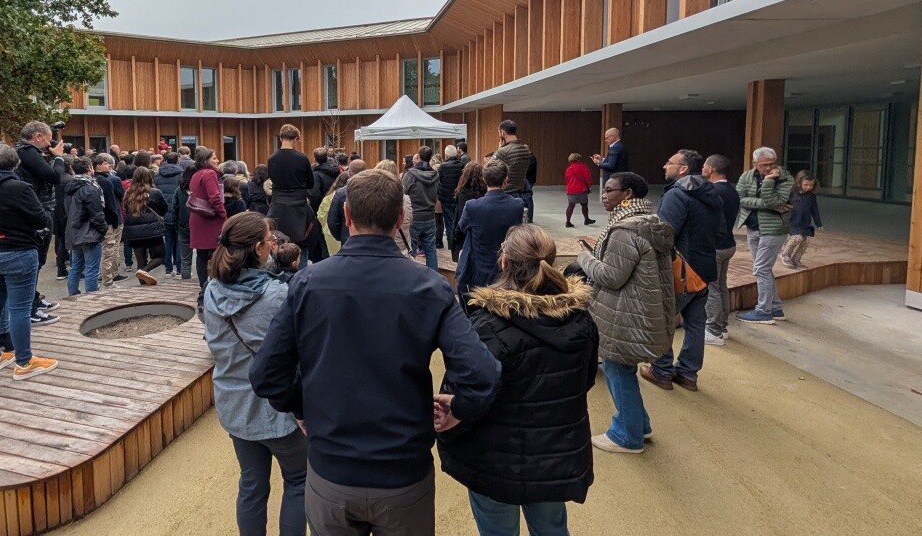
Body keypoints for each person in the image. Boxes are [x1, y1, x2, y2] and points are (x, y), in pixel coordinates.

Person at [250, 169, 501, 535]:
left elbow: (266, 374)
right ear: (400, 218)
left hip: (332, 469)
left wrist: (300, 407)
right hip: (402, 471)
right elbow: (481, 374)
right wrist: (459, 408)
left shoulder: (307, 283)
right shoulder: (429, 286)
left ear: (346, 215)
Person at [437, 224, 598, 536]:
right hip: (555, 454)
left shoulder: (485, 324)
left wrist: (451, 421)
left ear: (504, 261)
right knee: (552, 528)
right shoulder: (580, 320)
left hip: (495, 460)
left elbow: (465, 393)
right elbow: (585, 380)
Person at [203, 212, 307, 536]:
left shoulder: (212, 290)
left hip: (234, 404)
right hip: (279, 408)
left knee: (251, 483)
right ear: (259, 248)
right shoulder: (277, 295)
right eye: (269, 239)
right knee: (299, 480)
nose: (274, 243)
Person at [576, 172, 675, 454]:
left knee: (617, 369)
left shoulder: (624, 230)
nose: (603, 195)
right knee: (624, 370)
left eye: (609, 190)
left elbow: (611, 276)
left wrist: (584, 258)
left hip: (624, 312)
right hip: (640, 309)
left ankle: (627, 435)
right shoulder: (649, 222)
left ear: (627, 194)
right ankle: (639, 424)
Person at [0, 143, 59, 380]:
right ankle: (24, 361)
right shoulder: (19, 188)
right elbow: (40, 219)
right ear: (16, 163)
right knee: (19, 309)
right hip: (16, 252)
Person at [645, 149, 721, 392]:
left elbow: (664, 234)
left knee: (661, 320)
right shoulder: (711, 193)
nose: (664, 166)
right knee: (696, 324)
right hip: (705, 267)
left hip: (682, 270)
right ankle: (688, 374)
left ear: (683, 169)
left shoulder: (677, 194)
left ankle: (661, 371)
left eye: (670, 163)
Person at [735, 147, 793, 325]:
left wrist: (768, 182)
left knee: (761, 269)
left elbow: (775, 201)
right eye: (764, 165)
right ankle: (775, 308)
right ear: (755, 163)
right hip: (753, 228)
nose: (768, 168)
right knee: (764, 269)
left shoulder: (785, 178)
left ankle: (763, 311)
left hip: (773, 230)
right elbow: (739, 198)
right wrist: (767, 204)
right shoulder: (746, 176)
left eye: (771, 164)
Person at [14, 121, 65, 319]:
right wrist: (58, 158)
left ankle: (33, 298)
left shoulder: (25, 153)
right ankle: (30, 307)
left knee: (37, 260)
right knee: (34, 260)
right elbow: (54, 176)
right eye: (48, 139)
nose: (49, 144)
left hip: (37, 207)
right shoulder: (27, 152)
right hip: (37, 209)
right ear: (38, 136)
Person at [455, 161, 525, 300]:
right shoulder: (517, 205)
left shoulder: (472, 206)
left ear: (484, 179)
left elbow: (462, 227)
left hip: (478, 268)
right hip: (505, 268)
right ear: (506, 179)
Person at [701, 155, 740, 346]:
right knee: (721, 285)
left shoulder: (713, 191)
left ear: (711, 169)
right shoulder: (732, 190)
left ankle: (714, 330)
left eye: (704, 166)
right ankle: (722, 327)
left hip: (715, 246)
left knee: (712, 287)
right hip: (728, 244)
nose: (702, 169)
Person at [266, 125, 314, 264]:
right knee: (301, 243)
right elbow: (310, 183)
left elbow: (272, 178)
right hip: (298, 205)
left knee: (278, 241)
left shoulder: (272, 158)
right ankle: (301, 271)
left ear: (281, 138)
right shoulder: (302, 158)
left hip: (278, 205)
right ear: (296, 139)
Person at [64, 157, 107, 298]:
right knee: (91, 268)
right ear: (89, 168)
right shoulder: (90, 188)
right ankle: (91, 297)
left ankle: (73, 295)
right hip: (89, 232)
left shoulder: (70, 187)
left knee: (76, 267)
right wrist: (103, 229)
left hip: (74, 230)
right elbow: (96, 213)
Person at [189, 147, 228, 299]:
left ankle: (204, 286)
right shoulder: (210, 173)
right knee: (216, 254)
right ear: (206, 160)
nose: (217, 161)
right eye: (214, 158)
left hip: (197, 217)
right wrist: (224, 216)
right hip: (210, 219)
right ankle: (214, 286)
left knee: (201, 255)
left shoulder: (196, 174)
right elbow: (214, 198)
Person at [122, 167, 168, 286]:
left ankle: (142, 285)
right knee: (160, 256)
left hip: (134, 231)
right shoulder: (155, 192)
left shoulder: (128, 193)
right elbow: (163, 209)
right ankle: (144, 270)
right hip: (152, 230)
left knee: (140, 259)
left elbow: (126, 210)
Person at [401, 146, 441, 270]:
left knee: (411, 250)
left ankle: (412, 276)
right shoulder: (435, 174)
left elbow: (402, 193)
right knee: (431, 250)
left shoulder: (410, 175)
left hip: (414, 216)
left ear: (418, 157)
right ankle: (433, 276)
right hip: (430, 216)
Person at [93, 154, 127, 287]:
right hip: (111, 218)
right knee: (111, 247)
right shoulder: (111, 180)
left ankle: (104, 275)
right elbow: (118, 198)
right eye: (105, 163)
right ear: (98, 166)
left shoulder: (92, 180)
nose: (109, 165)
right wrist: (115, 220)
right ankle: (111, 275)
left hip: (97, 218)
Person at [781, 171, 822, 269]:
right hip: (793, 221)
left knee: (805, 240)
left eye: (811, 185)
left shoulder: (811, 196)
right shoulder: (792, 194)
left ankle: (796, 259)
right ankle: (785, 254)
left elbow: (814, 210)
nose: (809, 187)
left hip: (805, 222)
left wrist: (818, 223)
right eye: (806, 185)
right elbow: (782, 204)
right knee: (797, 237)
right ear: (799, 183)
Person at [153, 150, 184, 278]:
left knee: (168, 240)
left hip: (163, 211)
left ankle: (167, 269)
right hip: (177, 211)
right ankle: (179, 269)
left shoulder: (158, 175)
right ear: (178, 160)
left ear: (164, 161)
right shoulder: (182, 174)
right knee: (179, 240)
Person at [373, 160, 415, 254]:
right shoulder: (405, 199)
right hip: (401, 249)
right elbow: (408, 220)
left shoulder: (372, 199)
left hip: (379, 250)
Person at [324, 160, 366, 249]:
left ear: (349, 173)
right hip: (369, 239)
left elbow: (332, 221)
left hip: (347, 238)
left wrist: (340, 236)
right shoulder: (374, 191)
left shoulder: (341, 193)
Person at [451, 160, 486, 263]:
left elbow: (462, 216)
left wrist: (456, 234)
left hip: (465, 232)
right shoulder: (484, 191)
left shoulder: (463, 192)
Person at [491, 121, 533, 205]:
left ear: (502, 132)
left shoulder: (503, 151)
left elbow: (489, 168)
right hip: (520, 192)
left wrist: (500, 149)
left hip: (506, 193)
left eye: (498, 132)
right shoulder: (525, 150)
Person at [436, 146, 464, 255]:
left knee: (448, 222)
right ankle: (457, 243)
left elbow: (439, 180)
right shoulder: (462, 165)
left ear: (446, 155)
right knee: (457, 219)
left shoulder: (442, 167)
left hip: (445, 198)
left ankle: (451, 244)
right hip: (457, 197)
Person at [318, 171, 351, 256]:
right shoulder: (350, 197)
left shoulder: (328, 198)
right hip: (348, 233)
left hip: (330, 233)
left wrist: (325, 227)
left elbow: (320, 215)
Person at [174, 164, 195, 280]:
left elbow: (174, 209)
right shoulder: (200, 190)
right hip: (200, 226)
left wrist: (177, 226)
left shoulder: (179, 190)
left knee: (185, 259)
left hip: (183, 226)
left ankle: (185, 281)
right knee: (203, 257)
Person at [564, 153, 596, 227]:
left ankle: (568, 222)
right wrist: (589, 185)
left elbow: (567, 179)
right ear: (578, 159)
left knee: (571, 205)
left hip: (571, 190)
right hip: (581, 189)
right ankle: (586, 219)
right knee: (584, 205)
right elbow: (588, 177)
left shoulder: (568, 169)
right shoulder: (583, 167)